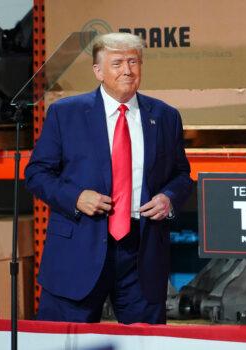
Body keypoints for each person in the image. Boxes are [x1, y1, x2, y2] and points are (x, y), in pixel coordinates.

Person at [24, 32, 193, 324]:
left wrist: (169, 199)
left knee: (145, 343)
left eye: (133, 62)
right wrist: (75, 197)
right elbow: (36, 173)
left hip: (141, 253)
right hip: (78, 248)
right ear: (98, 71)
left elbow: (181, 175)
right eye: (117, 63)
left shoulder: (165, 116)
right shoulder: (66, 114)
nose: (127, 70)